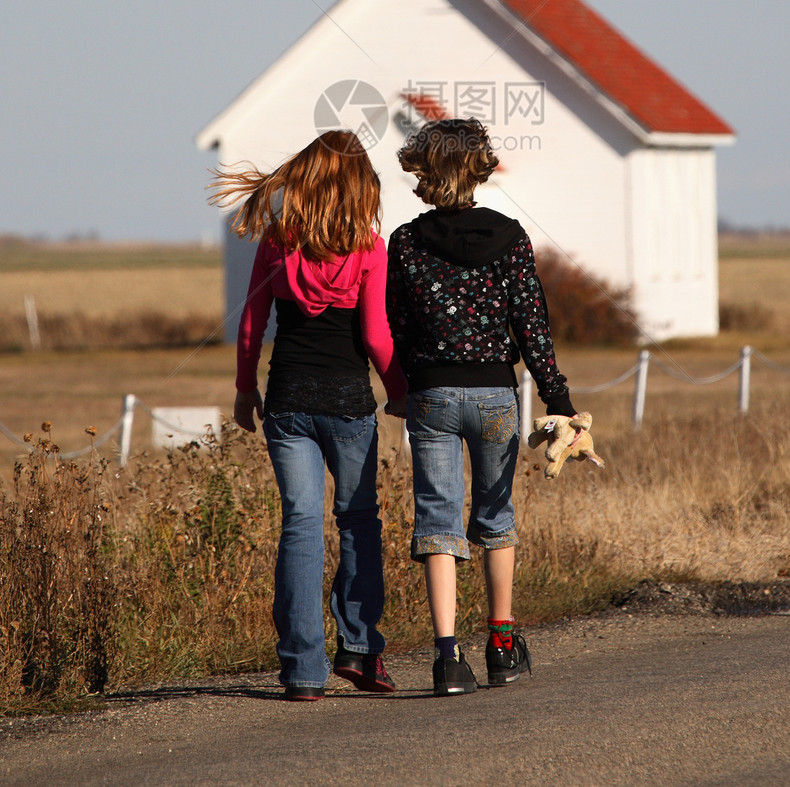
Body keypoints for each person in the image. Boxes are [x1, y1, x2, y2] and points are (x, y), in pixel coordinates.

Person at [209, 129, 407, 702]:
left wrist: (246, 391)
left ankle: (301, 670)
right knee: (357, 520)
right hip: (348, 403)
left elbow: (251, 326)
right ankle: (361, 650)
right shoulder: (371, 248)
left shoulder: (278, 241)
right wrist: (400, 390)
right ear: (359, 185)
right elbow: (374, 334)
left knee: (299, 523)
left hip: (289, 400)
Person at [385, 117, 579, 696]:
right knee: (496, 517)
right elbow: (532, 324)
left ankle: (447, 659)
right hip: (497, 395)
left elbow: (395, 324)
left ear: (424, 171)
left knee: (437, 522)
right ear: (480, 167)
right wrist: (559, 400)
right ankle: (501, 643)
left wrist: (404, 385)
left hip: (432, 396)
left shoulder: (406, 241)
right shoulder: (511, 236)